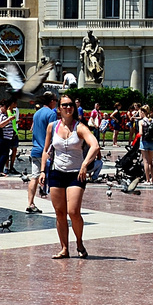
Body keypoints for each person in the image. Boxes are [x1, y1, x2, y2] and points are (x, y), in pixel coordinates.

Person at [37, 95, 102, 259]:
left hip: (75, 174)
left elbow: (95, 145)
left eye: (70, 105)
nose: (68, 108)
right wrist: (43, 171)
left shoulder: (79, 128)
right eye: (64, 105)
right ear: (59, 108)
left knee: (73, 212)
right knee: (59, 212)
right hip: (56, 172)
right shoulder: (52, 127)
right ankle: (64, 248)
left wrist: (85, 165)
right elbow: (46, 150)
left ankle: (79, 242)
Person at [22, 93, 57, 212]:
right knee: (53, 177)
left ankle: (30, 203)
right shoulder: (51, 114)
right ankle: (59, 205)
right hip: (46, 151)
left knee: (34, 177)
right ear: (51, 101)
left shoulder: (37, 113)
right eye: (56, 100)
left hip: (35, 149)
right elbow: (53, 133)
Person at [0, 99, 18, 175]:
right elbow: (0, 124)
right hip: (2, 138)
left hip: (6, 138)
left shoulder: (3, 113)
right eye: (5, 107)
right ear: (1, 106)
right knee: (4, 154)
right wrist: (9, 119)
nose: (6, 109)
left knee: (4, 154)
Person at [137, 104, 153, 182]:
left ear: (143, 112)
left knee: (145, 161)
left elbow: (141, 133)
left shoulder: (141, 122)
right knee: (151, 162)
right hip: (152, 142)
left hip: (144, 141)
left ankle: (147, 180)